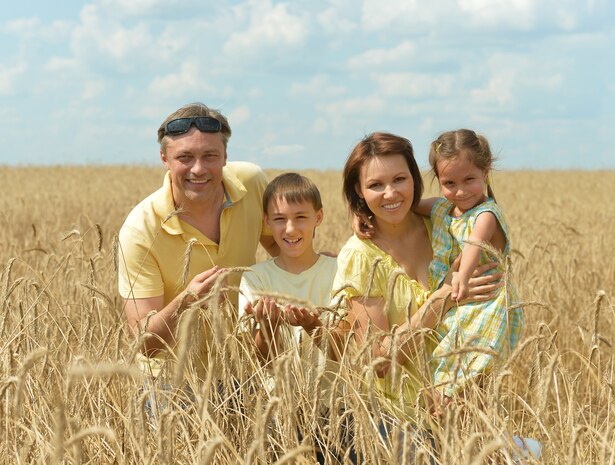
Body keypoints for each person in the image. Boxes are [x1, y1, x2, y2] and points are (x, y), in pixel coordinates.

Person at [331, 132, 501, 457]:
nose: (391, 193)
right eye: (375, 185)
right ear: (359, 190)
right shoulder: (359, 256)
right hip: (397, 423)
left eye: (399, 179)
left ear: (416, 180)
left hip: (465, 410)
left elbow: (486, 315)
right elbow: (377, 360)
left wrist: (467, 393)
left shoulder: (444, 226)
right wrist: (443, 297)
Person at [118, 102, 278, 383]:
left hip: (246, 369)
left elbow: (283, 251)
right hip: (175, 381)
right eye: (185, 157)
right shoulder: (140, 230)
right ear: (164, 159)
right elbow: (144, 343)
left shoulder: (252, 183)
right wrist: (187, 301)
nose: (199, 169)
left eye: (210, 155)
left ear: (225, 156)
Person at [238, 172, 352, 463]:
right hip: (280, 411)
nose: (290, 228)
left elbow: (345, 349)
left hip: (338, 408)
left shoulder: (340, 271)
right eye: (279, 219)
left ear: (319, 217)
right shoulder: (255, 279)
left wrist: (314, 326)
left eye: (301, 217)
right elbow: (265, 360)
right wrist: (268, 327)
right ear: (266, 221)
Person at [416, 128, 524, 409]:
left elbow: (475, 242)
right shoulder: (441, 209)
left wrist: (461, 278)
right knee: (449, 382)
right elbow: (407, 206)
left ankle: (507, 448)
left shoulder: (486, 214)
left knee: (463, 383)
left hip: (485, 306)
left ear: (485, 172)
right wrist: (362, 215)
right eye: (449, 182)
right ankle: (505, 447)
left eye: (469, 180)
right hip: (457, 305)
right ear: (438, 180)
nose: (460, 190)